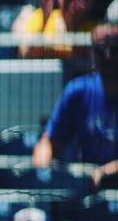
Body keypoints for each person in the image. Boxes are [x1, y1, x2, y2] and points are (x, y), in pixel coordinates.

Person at [32, 23, 117, 182]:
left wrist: (105, 173)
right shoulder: (78, 91)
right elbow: (49, 141)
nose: (108, 56)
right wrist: (43, 163)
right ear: (92, 53)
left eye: (115, 50)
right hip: (87, 189)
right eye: (100, 50)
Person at [20, 0, 97, 59]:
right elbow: (25, 54)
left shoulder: (93, 30)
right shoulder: (40, 17)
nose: (73, 2)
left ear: (88, 2)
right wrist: (44, 22)